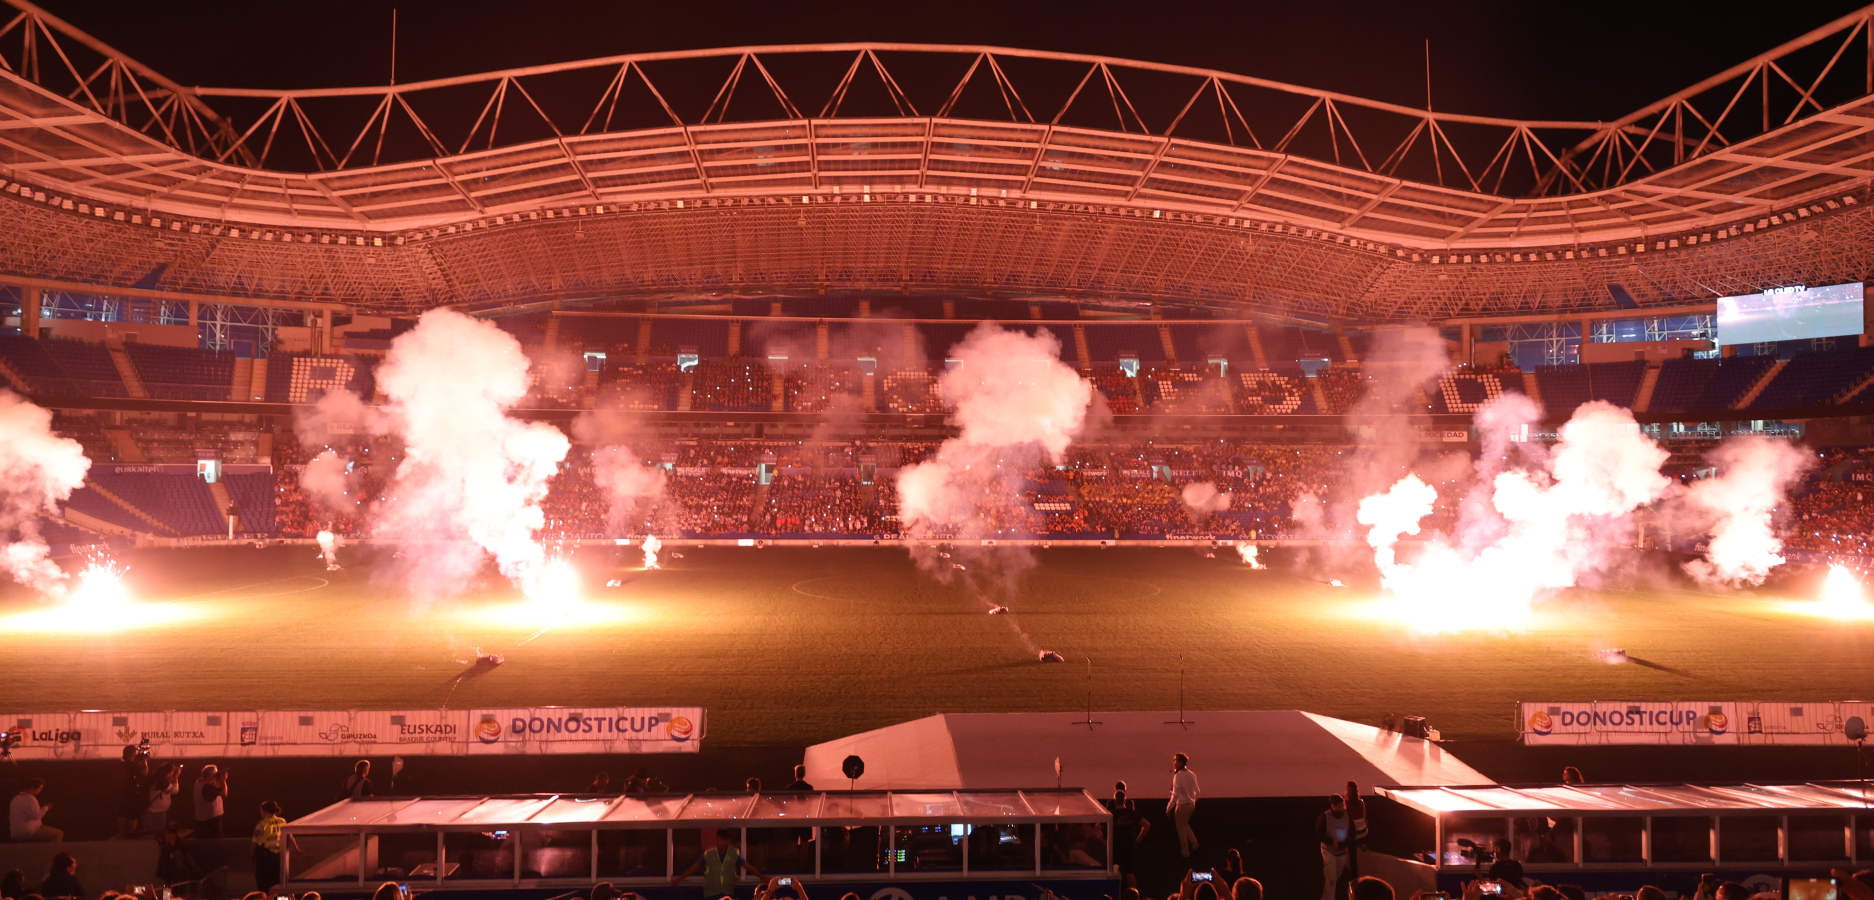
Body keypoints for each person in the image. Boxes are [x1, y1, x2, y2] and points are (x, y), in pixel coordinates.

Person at [670, 828, 763, 899]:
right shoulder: (709, 854)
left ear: (728, 841)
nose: (722, 843)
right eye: (720, 840)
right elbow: (694, 868)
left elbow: (748, 867)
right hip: (711, 894)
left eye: (724, 840)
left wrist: (763, 877)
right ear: (717, 840)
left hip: (727, 893)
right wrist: (679, 879)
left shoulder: (733, 853)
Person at [1316, 784, 1368, 900]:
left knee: (1335, 877)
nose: (1341, 808)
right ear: (1332, 806)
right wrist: (1331, 841)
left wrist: (1345, 843)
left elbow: (1352, 832)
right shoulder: (1325, 817)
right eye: (1338, 806)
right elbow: (1319, 833)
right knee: (1331, 879)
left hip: (1342, 852)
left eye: (1342, 805)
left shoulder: (1347, 815)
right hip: (1328, 851)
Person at [252, 801, 296, 892]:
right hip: (279, 857)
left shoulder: (261, 824)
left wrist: (252, 856)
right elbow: (290, 836)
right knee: (279, 884)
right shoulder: (282, 821)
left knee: (264, 885)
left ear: (264, 811)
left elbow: (254, 842)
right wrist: (297, 849)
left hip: (265, 857)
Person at [1167, 753, 1200, 858]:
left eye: (1175, 760)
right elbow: (1197, 791)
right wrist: (1193, 801)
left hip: (1181, 806)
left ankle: (1185, 852)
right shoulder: (1192, 774)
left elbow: (1175, 795)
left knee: (1181, 829)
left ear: (1181, 762)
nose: (1174, 762)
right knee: (1185, 825)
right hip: (1191, 805)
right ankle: (1194, 844)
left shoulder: (1178, 776)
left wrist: (1168, 808)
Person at [119, 745, 152, 837]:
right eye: (135, 753)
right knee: (130, 820)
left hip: (122, 798)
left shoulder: (122, 764)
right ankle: (128, 838)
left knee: (123, 817)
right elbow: (145, 773)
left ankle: (123, 837)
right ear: (132, 754)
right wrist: (144, 760)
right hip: (131, 798)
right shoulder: (132, 765)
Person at [145, 764, 183, 837]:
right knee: (156, 835)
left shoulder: (159, 779)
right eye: (172, 772)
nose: (172, 773)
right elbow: (175, 791)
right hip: (154, 812)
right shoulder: (162, 781)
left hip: (157, 811)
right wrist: (176, 778)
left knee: (155, 834)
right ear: (168, 772)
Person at [193, 765, 228, 837]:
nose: (217, 775)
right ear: (210, 775)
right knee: (216, 843)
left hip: (202, 820)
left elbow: (212, 783)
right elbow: (224, 794)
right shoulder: (208, 787)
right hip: (212, 820)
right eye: (215, 774)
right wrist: (223, 780)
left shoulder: (198, 782)